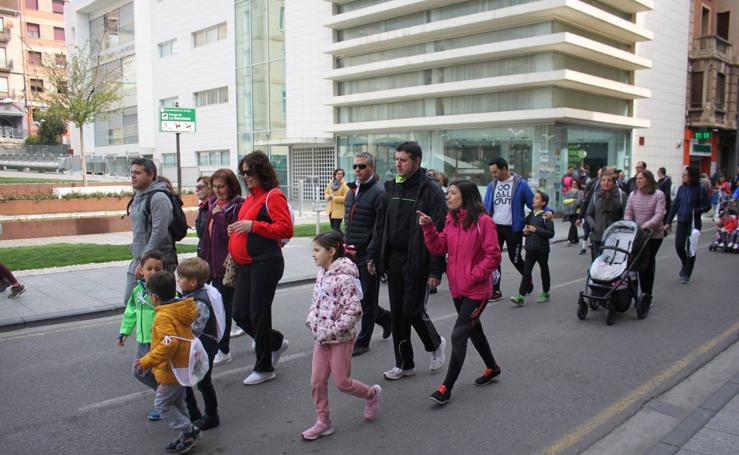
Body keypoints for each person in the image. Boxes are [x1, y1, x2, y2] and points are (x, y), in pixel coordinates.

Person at [419, 180, 502, 405]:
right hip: (457, 290)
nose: (448, 196)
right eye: (449, 192)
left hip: (477, 292)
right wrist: (428, 228)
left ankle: (446, 387)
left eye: (453, 193)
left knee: (458, 335)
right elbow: (437, 247)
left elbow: (493, 255)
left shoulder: (483, 222)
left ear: (465, 196)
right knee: (474, 332)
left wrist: (474, 274)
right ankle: (493, 368)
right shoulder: (451, 220)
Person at [375, 141, 446, 381]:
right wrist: (377, 256)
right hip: (394, 259)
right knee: (398, 314)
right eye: (396, 159)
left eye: (403, 160)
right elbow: (381, 225)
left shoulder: (431, 190)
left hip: (419, 260)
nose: (398, 164)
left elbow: (440, 231)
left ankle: (435, 343)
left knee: (412, 310)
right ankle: (404, 363)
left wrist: (436, 270)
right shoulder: (391, 188)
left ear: (417, 161)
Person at [302, 231, 382, 440]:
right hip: (321, 339)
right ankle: (323, 422)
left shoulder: (346, 278)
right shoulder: (322, 273)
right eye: (313, 250)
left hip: (341, 339)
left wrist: (332, 330)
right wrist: (311, 319)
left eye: (317, 250)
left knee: (342, 382)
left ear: (332, 251)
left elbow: (354, 311)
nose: (313, 255)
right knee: (317, 381)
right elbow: (316, 301)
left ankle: (372, 394)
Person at [228, 151, 293, 385]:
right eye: (243, 172)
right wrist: (236, 230)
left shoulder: (272, 196)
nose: (246, 177)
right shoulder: (251, 198)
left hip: (266, 263)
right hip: (248, 265)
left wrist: (253, 226)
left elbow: (285, 229)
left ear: (261, 171)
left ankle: (264, 367)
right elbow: (248, 226)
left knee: (258, 314)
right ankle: (275, 342)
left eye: (250, 172)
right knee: (240, 314)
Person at [135, 271, 202, 454]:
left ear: (154, 297)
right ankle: (186, 433)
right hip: (182, 366)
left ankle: (190, 430)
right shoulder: (180, 308)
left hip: (172, 370)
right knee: (178, 403)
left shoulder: (163, 316)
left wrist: (147, 360)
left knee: (162, 404)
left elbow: (169, 343)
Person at [343, 152, 392, 357]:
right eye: (355, 166)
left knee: (368, 299)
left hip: (368, 254)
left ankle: (363, 341)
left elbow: (379, 228)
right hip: (350, 252)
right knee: (358, 298)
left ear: (372, 168)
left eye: (362, 166)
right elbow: (348, 221)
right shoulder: (351, 191)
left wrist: (372, 255)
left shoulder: (379, 193)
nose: (357, 170)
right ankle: (385, 318)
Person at [483, 157, 551, 301]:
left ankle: (528, 279)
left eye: (495, 171)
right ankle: (496, 290)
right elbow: (485, 206)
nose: (493, 175)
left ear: (505, 169)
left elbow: (532, 203)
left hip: (513, 229)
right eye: (491, 172)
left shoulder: (521, 184)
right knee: (494, 259)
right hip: (494, 227)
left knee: (515, 258)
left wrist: (548, 210)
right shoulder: (491, 185)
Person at [202, 169, 246, 367]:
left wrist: (219, 218)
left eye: (222, 186)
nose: (217, 190)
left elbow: (230, 237)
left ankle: (224, 349)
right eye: (215, 186)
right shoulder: (214, 206)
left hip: (228, 267)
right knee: (219, 308)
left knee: (226, 309)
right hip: (212, 266)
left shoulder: (238, 206)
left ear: (231, 186)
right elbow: (207, 238)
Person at [117, 250, 166, 421]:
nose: (153, 273)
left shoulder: (165, 292)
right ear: (141, 270)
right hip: (143, 342)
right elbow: (131, 311)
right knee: (139, 372)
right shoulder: (137, 290)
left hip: (159, 342)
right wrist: (125, 331)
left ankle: (164, 402)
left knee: (161, 374)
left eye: (158, 269)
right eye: (149, 268)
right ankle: (164, 392)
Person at [177, 257, 222, 431]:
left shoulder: (199, 302)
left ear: (193, 281)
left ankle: (212, 415)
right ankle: (193, 412)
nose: (178, 280)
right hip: (195, 347)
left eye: (181, 278)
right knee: (185, 380)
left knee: (204, 382)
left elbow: (194, 329)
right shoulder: (193, 295)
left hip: (203, 348)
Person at [125, 158, 177, 308]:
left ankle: (159, 331)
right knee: (132, 303)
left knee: (155, 306)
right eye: (132, 172)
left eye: (138, 173)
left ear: (151, 175)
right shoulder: (138, 196)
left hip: (156, 263)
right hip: (139, 259)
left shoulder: (158, 198)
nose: (133, 176)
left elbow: (159, 232)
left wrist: (144, 263)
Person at [624, 170, 666, 306]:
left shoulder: (658, 195)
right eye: (637, 179)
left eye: (641, 178)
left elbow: (659, 214)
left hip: (653, 235)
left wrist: (645, 226)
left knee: (647, 264)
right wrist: (631, 225)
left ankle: (648, 294)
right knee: (634, 263)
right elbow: (628, 213)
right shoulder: (632, 195)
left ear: (648, 179)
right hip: (637, 235)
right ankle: (634, 293)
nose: (638, 181)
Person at [665, 166, 710, 284]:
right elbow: (675, 206)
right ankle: (685, 263)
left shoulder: (701, 189)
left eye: (685, 175)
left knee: (691, 248)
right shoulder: (681, 188)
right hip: (681, 221)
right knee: (679, 246)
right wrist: (668, 222)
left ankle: (687, 273)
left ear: (692, 177)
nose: (683, 177)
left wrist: (697, 210)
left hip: (694, 223)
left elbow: (707, 206)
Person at [510, 191, 555, 305]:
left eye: (537, 198)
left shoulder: (546, 216)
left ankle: (545, 292)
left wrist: (536, 230)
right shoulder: (530, 215)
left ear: (543, 202)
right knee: (526, 273)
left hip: (542, 250)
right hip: (530, 248)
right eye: (534, 198)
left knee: (544, 270)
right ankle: (521, 296)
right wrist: (525, 232)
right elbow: (525, 230)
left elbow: (551, 233)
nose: (533, 200)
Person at [585, 172, 627, 261]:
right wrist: (593, 225)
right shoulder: (596, 195)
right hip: (597, 235)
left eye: (609, 180)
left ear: (614, 182)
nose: (606, 183)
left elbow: (626, 215)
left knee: (612, 264)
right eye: (603, 180)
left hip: (614, 235)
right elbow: (588, 214)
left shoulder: (620, 195)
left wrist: (619, 226)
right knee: (597, 263)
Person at [325, 169, 349, 233]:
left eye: (341, 174)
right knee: (333, 227)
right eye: (338, 174)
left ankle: (341, 240)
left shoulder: (345, 185)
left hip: (339, 210)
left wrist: (335, 198)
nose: (340, 175)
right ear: (335, 175)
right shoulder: (331, 183)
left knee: (336, 228)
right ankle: (341, 239)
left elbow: (346, 198)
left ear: (343, 175)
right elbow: (326, 193)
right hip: (331, 210)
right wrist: (329, 196)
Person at [195, 176, 214, 259]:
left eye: (200, 187)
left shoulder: (214, 207)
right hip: (203, 251)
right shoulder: (203, 208)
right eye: (196, 187)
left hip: (212, 254)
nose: (197, 190)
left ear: (210, 188)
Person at [563, 179, 583, 246]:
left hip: (576, 211)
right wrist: (572, 200)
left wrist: (570, 202)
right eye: (573, 183)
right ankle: (576, 239)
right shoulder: (568, 192)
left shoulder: (580, 192)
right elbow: (565, 201)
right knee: (573, 225)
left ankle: (569, 239)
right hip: (569, 211)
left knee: (573, 225)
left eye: (575, 183)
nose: (574, 185)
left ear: (578, 185)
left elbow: (578, 202)